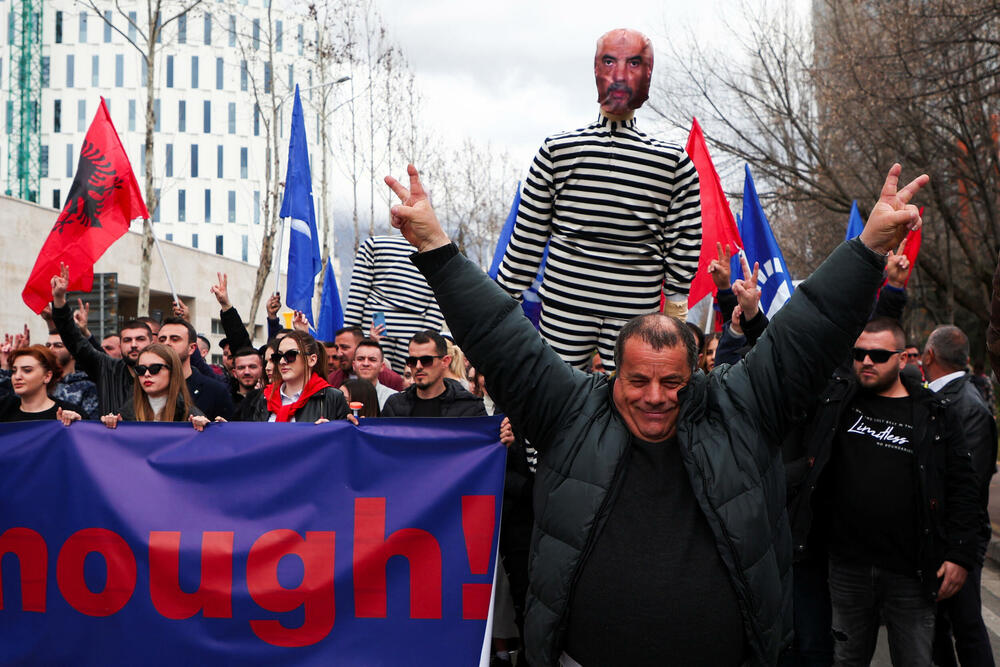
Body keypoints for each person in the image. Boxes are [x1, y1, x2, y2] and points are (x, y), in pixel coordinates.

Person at [385, 162, 929, 665]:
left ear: (695, 374)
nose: (654, 396)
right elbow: (500, 335)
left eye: (672, 381)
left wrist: (868, 248)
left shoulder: (741, 406)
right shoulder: (571, 410)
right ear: (612, 374)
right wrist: (434, 245)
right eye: (637, 380)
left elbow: (810, 328)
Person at [495, 28, 701, 373]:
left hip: (635, 313)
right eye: (610, 61)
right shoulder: (557, 151)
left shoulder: (673, 163)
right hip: (565, 306)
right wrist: (499, 312)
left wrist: (675, 317)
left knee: (631, 404)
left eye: (634, 63)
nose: (620, 74)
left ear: (648, 73)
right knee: (555, 398)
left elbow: (684, 243)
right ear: (596, 69)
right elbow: (526, 240)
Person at [787, 318, 977, 666]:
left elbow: (963, 487)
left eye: (878, 354)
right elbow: (794, 366)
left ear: (903, 359)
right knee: (846, 659)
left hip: (912, 573)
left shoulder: (934, 413)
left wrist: (960, 555)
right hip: (847, 569)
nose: (867, 361)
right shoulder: (838, 402)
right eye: (860, 353)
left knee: (916, 659)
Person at [924, 326, 997, 667]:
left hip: (956, 539)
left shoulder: (966, 406)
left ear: (929, 356)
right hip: (939, 534)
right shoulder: (941, 398)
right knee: (936, 624)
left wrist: (958, 551)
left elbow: (970, 485)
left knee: (965, 625)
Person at [50, 263, 153, 414]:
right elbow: (74, 340)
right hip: (110, 438)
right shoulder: (106, 368)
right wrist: (59, 299)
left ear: (152, 342)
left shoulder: (165, 373)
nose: (133, 345)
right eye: (127, 340)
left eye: (140, 339)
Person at [343, 234, 446, 372]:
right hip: (394, 329)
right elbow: (437, 306)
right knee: (403, 384)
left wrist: (349, 342)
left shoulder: (374, 245)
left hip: (385, 325)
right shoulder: (440, 254)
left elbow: (356, 299)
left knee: (384, 382)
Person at [100, 344, 209, 430]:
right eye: (141, 370)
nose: (147, 374)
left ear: (173, 372)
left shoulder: (191, 416)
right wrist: (108, 426)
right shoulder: (124, 415)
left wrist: (211, 428)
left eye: (155, 368)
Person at [249, 331, 348, 423]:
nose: (282, 362)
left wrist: (328, 433)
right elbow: (256, 438)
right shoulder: (266, 397)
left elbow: (346, 439)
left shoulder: (332, 398)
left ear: (312, 360)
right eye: (278, 356)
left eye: (291, 355)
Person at [381, 331, 486, 418]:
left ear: (445, 361)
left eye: (426, 360)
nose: (418, 366)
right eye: (412, 361)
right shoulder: (394, 405)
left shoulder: (470, 407)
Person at [157, 318, 234, 421]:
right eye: (162, 340)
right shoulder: (146, 387)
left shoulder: (215, 392)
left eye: (175, 339)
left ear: (192, 348)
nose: (167, 344)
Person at [0, 345, 83, 424]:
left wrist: (75, 427)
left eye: (27, 370)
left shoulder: (69, 413)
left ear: (47, 376)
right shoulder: (4, 409)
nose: (17, 376)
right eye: (14, 371)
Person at [327, 326, 404, 390]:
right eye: (337, 348)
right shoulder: (332, 380)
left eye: (344, 347)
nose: (339, 354)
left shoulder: (391, 380)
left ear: (360, 347)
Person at [351, 338, 397, 410]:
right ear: (353, 365)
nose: (366, 363)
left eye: (372, 360)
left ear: (382, 366)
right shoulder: (343, 396)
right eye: (360, 359)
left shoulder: (393, 398)